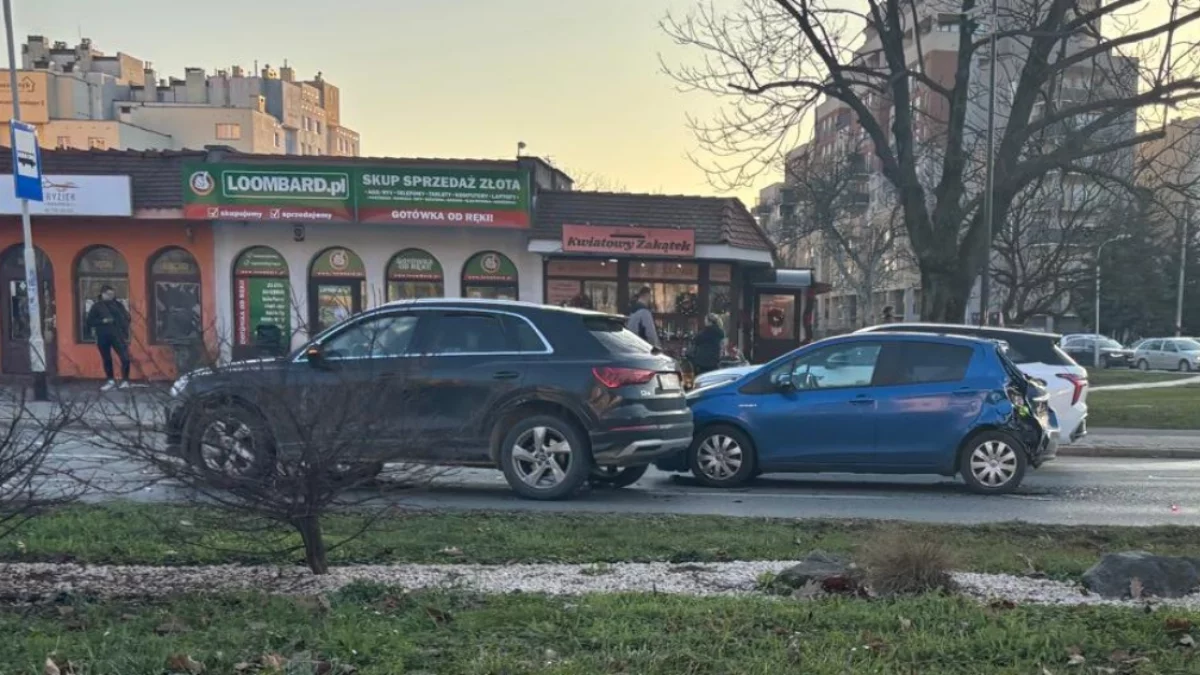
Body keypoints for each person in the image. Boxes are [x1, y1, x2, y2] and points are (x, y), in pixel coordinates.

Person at [86, 285, 132, 391]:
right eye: (108, 294)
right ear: (102, 294)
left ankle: (125, 380)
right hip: (103, 335)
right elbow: (89, 321)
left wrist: (124, 324)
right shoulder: (97, 306)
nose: (111, 296)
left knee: (125, 357)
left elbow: (127, 317)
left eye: (112, 294)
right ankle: (110, 380)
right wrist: (102, 321)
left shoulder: (118, 305)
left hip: (117, 335)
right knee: (107, 358)